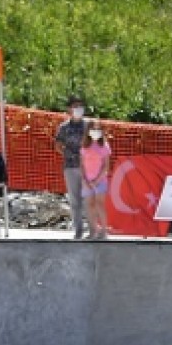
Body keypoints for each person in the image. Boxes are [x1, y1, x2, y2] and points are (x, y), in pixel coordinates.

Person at [54, 96, 91, 239]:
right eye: (75, 106)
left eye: (80, 106)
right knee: (75, 199)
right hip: (70, 166)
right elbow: (58, 144)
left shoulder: (88, 125)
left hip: (88, 168)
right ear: (69, 109)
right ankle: (78, 230)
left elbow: (96, 143)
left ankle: (92, 228)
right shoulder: (64, 127)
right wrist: (67, 153)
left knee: (88, 198)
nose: (78, 109)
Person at [81, 127, 112, 239]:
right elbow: (81, 165)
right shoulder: (84, 146)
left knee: (100, 204)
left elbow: (106, 166)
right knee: (89, 205)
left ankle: (104, 231)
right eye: (93, 129)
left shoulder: (104, 146)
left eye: (97, 130)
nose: (95, 132)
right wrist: (84, 180)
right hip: (87, 181)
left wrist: (97, 180)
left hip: (100, 181)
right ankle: (93, 230)